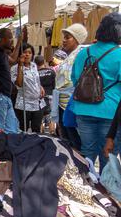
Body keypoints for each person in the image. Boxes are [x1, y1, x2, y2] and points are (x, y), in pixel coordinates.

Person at [71, 13, 121, 172]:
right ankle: (105, 192)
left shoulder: (83, 53)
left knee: (87, 151)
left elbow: (74, 80)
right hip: (110, 112)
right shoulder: (119, 54)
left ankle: (87, 187)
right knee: (108, 155)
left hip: (83, 109)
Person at [51, 23, 88, 151]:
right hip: (63, 104)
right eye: (64, 37)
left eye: (68, 37)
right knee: (67, 140)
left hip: (72, 104)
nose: (64, 40)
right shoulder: (69, 57)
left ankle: (79, 167)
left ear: (77, 39)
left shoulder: (81, 55)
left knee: (74, 141)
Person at [11, 44, 46, 133]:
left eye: (29, 53)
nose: (27, 54)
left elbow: (35, 79)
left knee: (36, 129)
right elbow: (19, 84)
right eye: (24, 52)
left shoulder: (34, 65)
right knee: (23, 130)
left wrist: (40, 86)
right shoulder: (14, 68)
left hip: (38, 103)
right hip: (24, 105)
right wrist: (20, 66)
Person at [35, 55, 56, 134]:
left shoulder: (35, 74)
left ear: (35, 63)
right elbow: (54, 86)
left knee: (40, 118)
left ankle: (41, 134)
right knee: (51, 117)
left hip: (40, 98)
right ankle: (52, 133)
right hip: (51, 96)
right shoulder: (51, 72)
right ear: (44, 62)